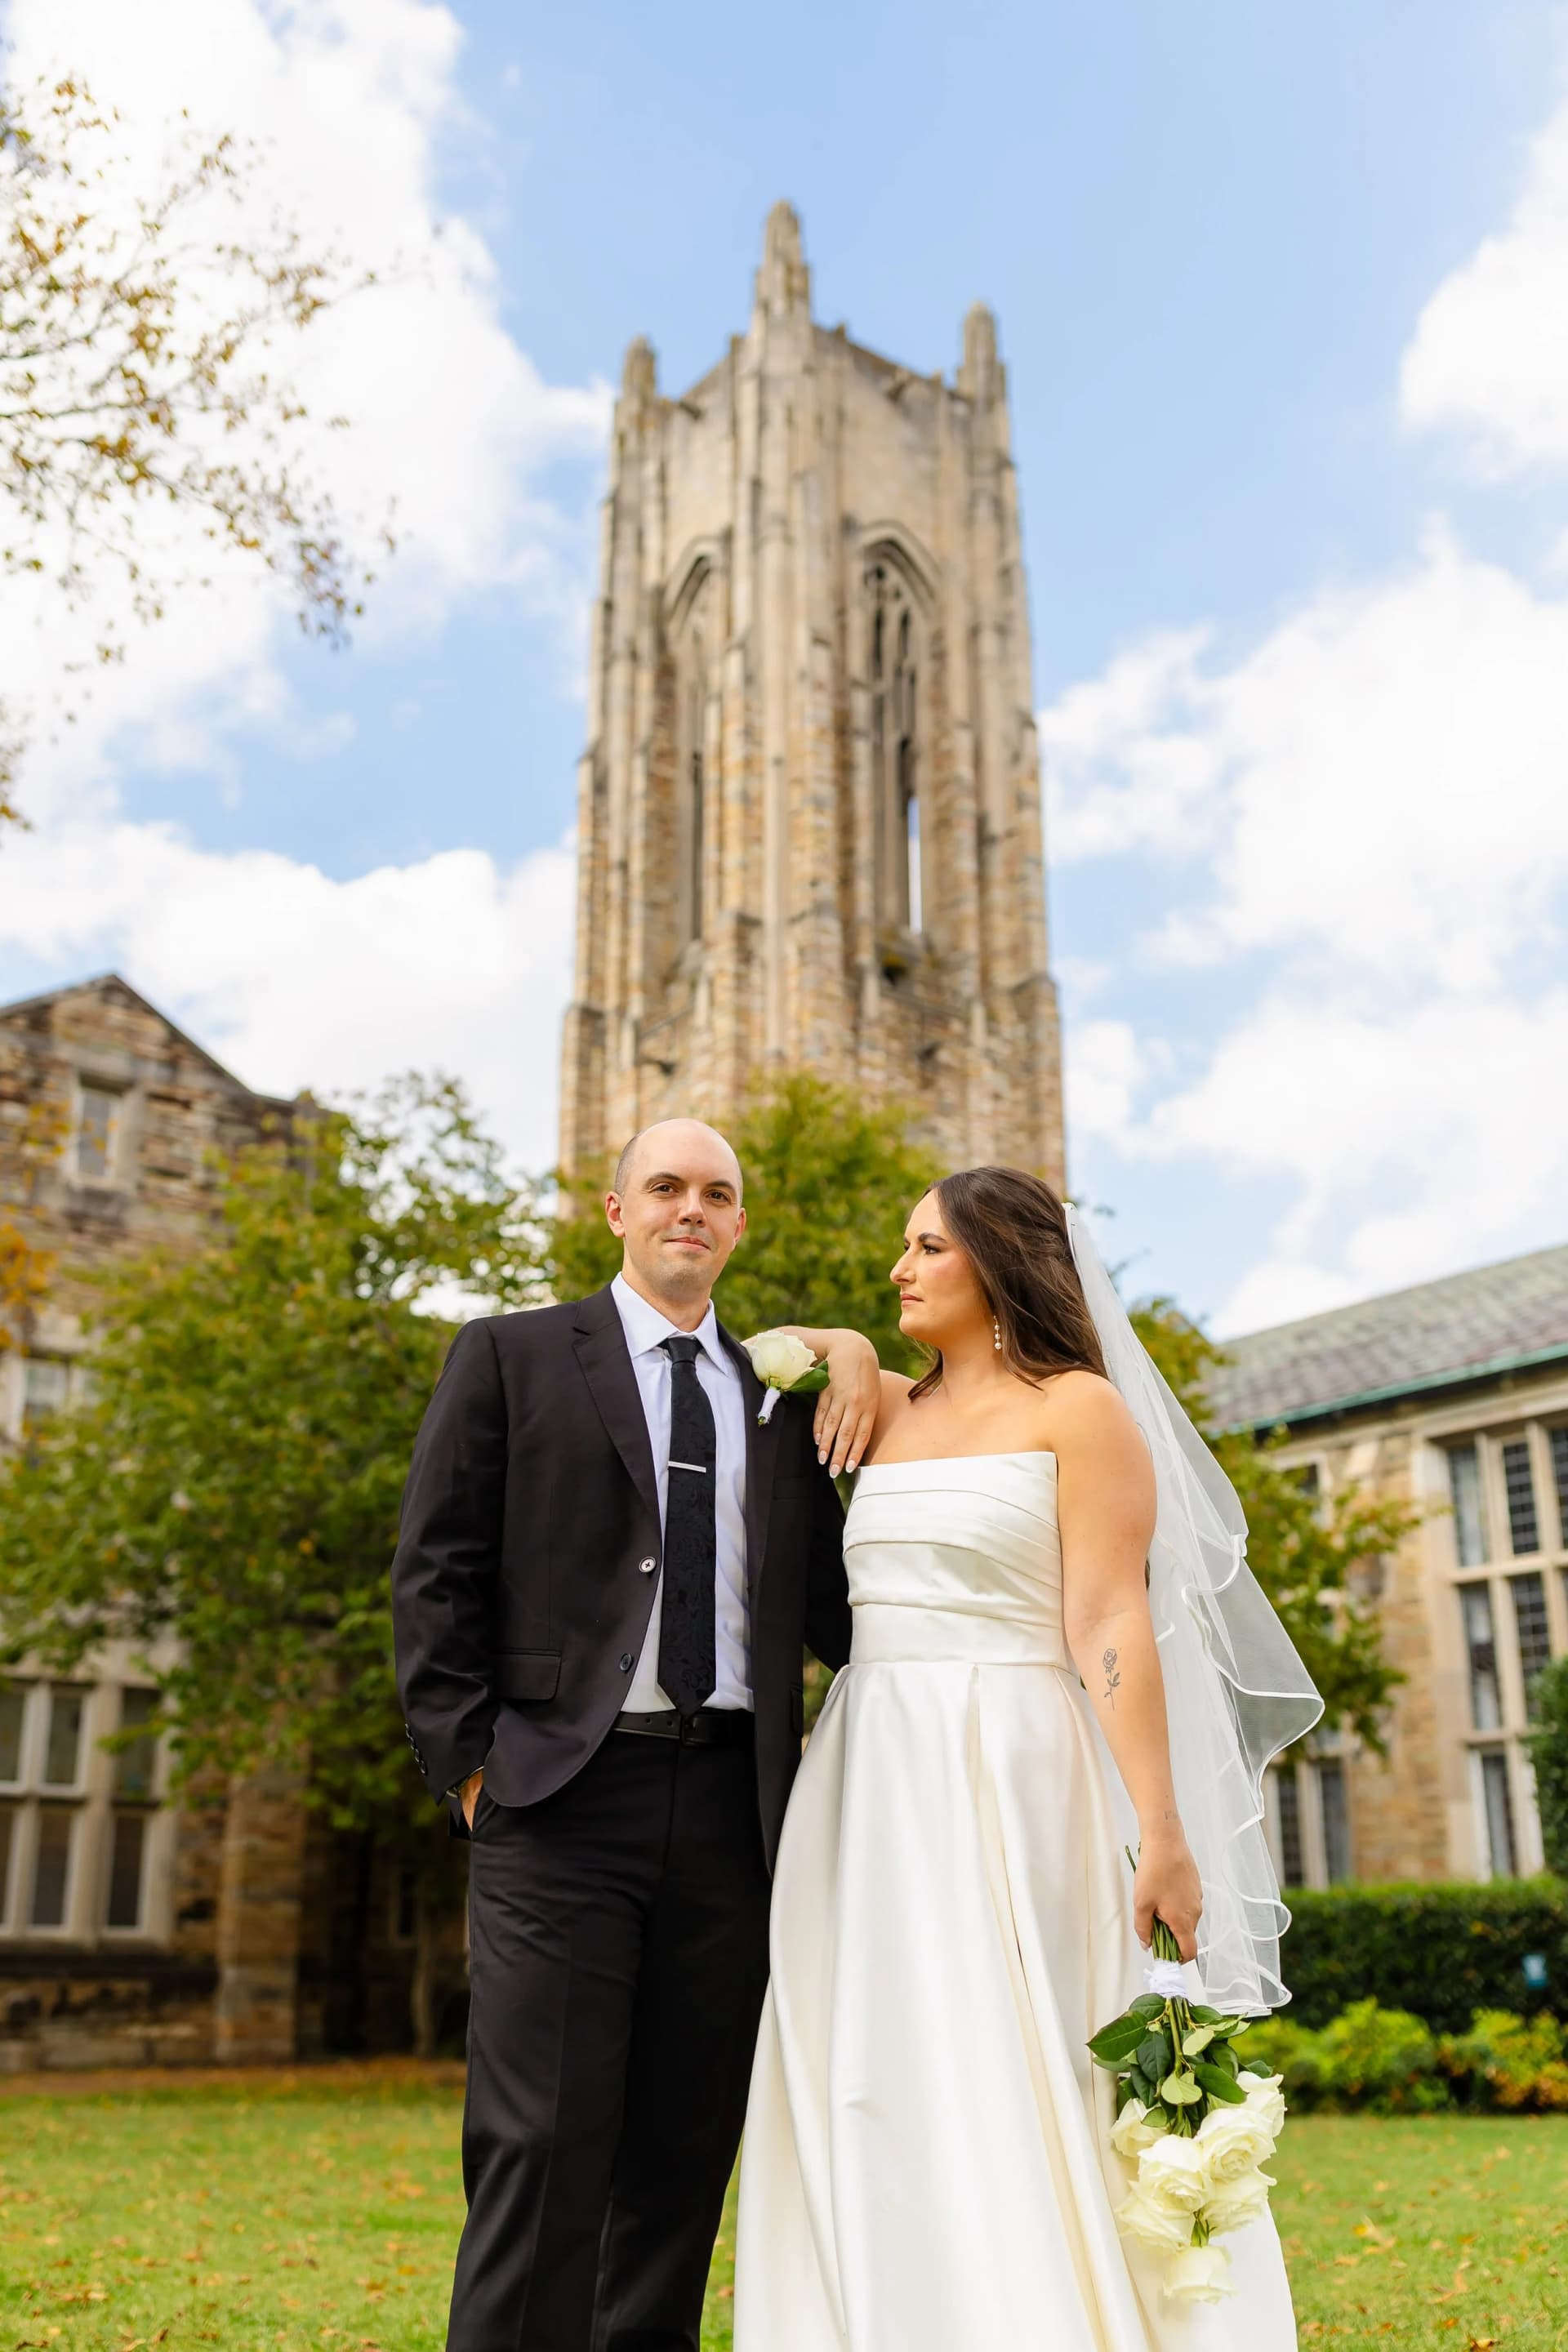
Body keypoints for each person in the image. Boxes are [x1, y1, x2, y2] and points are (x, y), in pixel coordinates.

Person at [733, 1165, 1320, 2350]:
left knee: (1020, 2054)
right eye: (902, 1249)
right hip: (866, 1778)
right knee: (866, 2065)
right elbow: (756, 1347)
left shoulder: (1079, 1410)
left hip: (1016, 1766)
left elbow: (1108, 1622)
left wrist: (1161, 1831)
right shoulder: (880, 1406)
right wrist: (844, 1342)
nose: (899, 1269)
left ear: (999, 1264)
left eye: (926, 1250)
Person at [390, 1117, 878, 2352]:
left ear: (739, 1226)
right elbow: (435, 1574)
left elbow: (837, 1605)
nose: (690, 1210)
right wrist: (472, 1773)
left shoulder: (781, 1403)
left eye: (717, 1193)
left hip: (734, 1811)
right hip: (557, 1800)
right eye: (665, 1187)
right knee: (541, 2141)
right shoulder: (508, 1357)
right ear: (617, 1211)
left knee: (680, 2153)